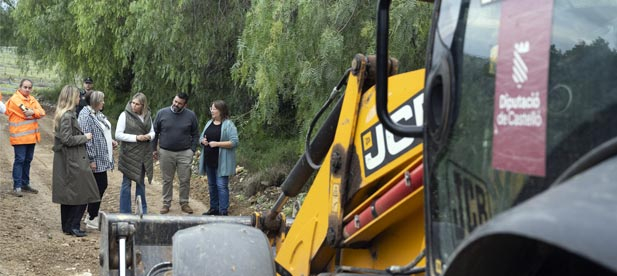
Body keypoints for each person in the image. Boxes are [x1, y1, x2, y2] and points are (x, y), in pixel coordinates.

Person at [51, 85, 100, 237]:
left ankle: (67, 226)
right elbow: (66, 139)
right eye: (78, 96)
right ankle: (73, 226)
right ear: (72, 98)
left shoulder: (65, 114)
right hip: (73, 158)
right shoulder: (67, 116)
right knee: (83, 192)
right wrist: (85, 137)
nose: (80, 98)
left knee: (69, 194)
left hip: (69, 158)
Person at [152, 92, 199, 214]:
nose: (176, 104)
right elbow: (155, 132)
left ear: (185, 105)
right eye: (175, 101)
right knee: (167, 179)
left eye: (179, 103)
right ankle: (166, 203)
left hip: (184, 152)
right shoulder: (162, 113)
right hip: (166, 152)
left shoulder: (191, 115)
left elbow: (195, 134)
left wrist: (192, 150)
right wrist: (153, 149)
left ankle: (184, 203)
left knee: (185, 179)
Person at [78, 91, 117, 229]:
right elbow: (87, 139)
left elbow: (102, 130)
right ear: (95, 102)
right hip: (95, 159)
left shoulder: (96, 113)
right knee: (98, 186)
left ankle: (91, 214)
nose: (103, 103)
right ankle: (91, 216)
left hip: (101, 157)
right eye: (102, 100)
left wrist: (109, 140)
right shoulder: (86, 116)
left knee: (100, 185)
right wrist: (91, 159)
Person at [5, 79, 46, 197]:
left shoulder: (32, 99)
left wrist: (32, 112)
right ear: (20, 87)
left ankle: (25, 184)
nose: (27, 89)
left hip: (31, 137)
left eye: (29, 87)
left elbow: (42, 113)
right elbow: (25, 112)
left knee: (27, 161)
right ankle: (17, 186)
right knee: (20, 160)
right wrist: (34, 112)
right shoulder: (15, 99)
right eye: (25, 87)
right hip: (19, 137)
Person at [116, 93, 154, 214]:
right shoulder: (124, 115)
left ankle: (142, 211)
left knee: (141, 183)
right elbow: (118, 134)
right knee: (126, 183)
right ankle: (125, 212)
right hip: (129, 154)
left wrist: (149, 136)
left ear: (143, 105)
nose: (133, 105)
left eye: (137, 104)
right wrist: (136, 137)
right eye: (132, 102)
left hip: (143, 154)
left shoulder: (147, 115)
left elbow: (153, 131)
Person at [199, 100, 239, 216]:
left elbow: (234, 142)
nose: (212, 111)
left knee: (221, 186)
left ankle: (223, 211)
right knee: (212, 185)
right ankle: (214, 208)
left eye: (214, 109)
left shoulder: (228, 124)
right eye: (211, 108)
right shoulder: (208, 123)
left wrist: (217, 144)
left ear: (221, 111)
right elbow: (201, 137)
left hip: (222, 162)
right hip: (209, 160)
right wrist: (203, 141)